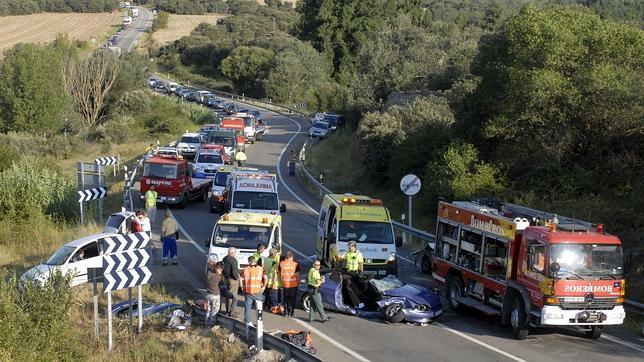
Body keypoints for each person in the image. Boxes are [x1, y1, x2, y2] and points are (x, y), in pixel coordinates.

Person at [242, 256, 267, 327]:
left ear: (250, 262)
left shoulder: (246, 269)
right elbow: (265, 278)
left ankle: (247, 322)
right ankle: (259, 322)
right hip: (258, 291)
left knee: (248, 307)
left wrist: (242, 287)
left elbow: (241, 278)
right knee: (259, 307)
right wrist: (264, 287)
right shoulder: (261, 269)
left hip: (249, 291)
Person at [338, 241, 364, 307]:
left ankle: (358, 303)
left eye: (350, 246)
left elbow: (361, 264)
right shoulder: (347, 254)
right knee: (348, 287)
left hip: (354, 273)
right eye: (348, 246)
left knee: (353, 288)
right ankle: (353, 303)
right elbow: (344, 263)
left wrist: (361, 273)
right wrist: (341, 269)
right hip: (347, 272)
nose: (349, 247)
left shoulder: (359, 254)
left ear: (354, 246)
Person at [279, 251, 300, 318]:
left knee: (285, 299)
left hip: (285, 284)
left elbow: (279, 273)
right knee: (292, 300)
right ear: (292, 257)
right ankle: (291, 313)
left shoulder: (281, 264)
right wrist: (298, 282)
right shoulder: (295, 264)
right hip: (293, 285)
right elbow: (297, 275)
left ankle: (286, 313)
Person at [222, 247, 240, 317]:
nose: (235, 254)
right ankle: (231, 312)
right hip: (232, 280)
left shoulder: (224, 259)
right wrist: (237, 278)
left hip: (226, 279)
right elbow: (234, 272)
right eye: (235, 252)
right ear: (232, 253)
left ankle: (227, 310)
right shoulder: (234, 260)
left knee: (227, 296)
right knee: (233, 296)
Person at [205, 257, 223, 326]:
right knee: (214, 311)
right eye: (220, 269)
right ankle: (211, 324)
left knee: (208, 310)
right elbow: (222, 282)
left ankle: (206, 323)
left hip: (208, 295)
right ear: (217, 269)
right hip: (215, 296)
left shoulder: (209, 275)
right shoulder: (218, 277)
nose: (221, 271)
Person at [263, 248, 281, 313]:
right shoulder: (274, 261)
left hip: (267, 280)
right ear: (273, 254)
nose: (276, 254)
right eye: (275, 253)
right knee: (274, 296)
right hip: (273, 281)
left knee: (268, 294)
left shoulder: (266, 259)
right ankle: (274, 308)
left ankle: (266, 305)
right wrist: (274, 283)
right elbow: (275, 272)